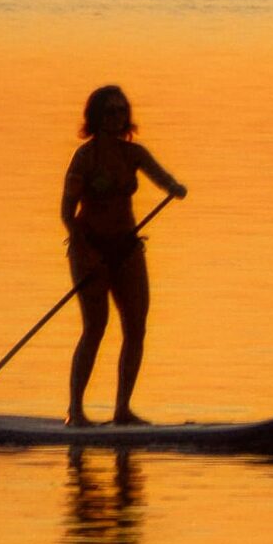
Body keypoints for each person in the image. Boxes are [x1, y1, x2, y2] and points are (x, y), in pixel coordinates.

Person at [61, 84, 185, 427]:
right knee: (95, 327)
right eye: (109, 112)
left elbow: (162, 178)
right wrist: (86, 252)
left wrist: (174, 188)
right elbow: (67, 214)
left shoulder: (135, 154)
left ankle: (122, 411)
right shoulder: (84, 159)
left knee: (136, 328)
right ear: (95, 116)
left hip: (127, 249)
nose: (116, 118)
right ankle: (76, 411)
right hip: (91, 250)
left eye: (121, 111)